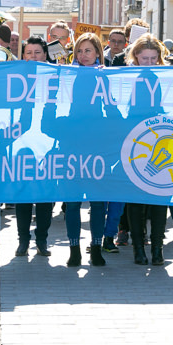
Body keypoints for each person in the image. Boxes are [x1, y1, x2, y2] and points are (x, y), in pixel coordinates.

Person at [58, 33, 109, 266]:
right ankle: (74, 249)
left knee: (98, 199)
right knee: (73, 199)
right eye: (79, 51)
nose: (83, 55)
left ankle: (96, 247)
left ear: (98, 52)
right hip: (72, 141)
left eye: (88, 51)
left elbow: (113, 106)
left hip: (97, 141)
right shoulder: (68, 76)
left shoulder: (105, 77)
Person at [126, 35, 173, 265]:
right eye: (145, 58)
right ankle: (138, 247)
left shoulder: (165, 77)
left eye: (154, 58)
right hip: (134, 144)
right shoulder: (126, 77)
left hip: (161, 141)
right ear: (136, 57)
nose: (150, 63)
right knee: (136, 200)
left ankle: (157, 247)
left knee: (160, 198)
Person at [14, 36, 54, 257]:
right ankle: (22, 240)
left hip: (46, 144)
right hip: (22, 144)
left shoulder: (55, 77)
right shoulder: (14, 77)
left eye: (37, 52)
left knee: (45, 196)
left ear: (45, 55)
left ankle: (42, 239)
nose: (33, 56)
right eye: (28, 52)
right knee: (23, 196)